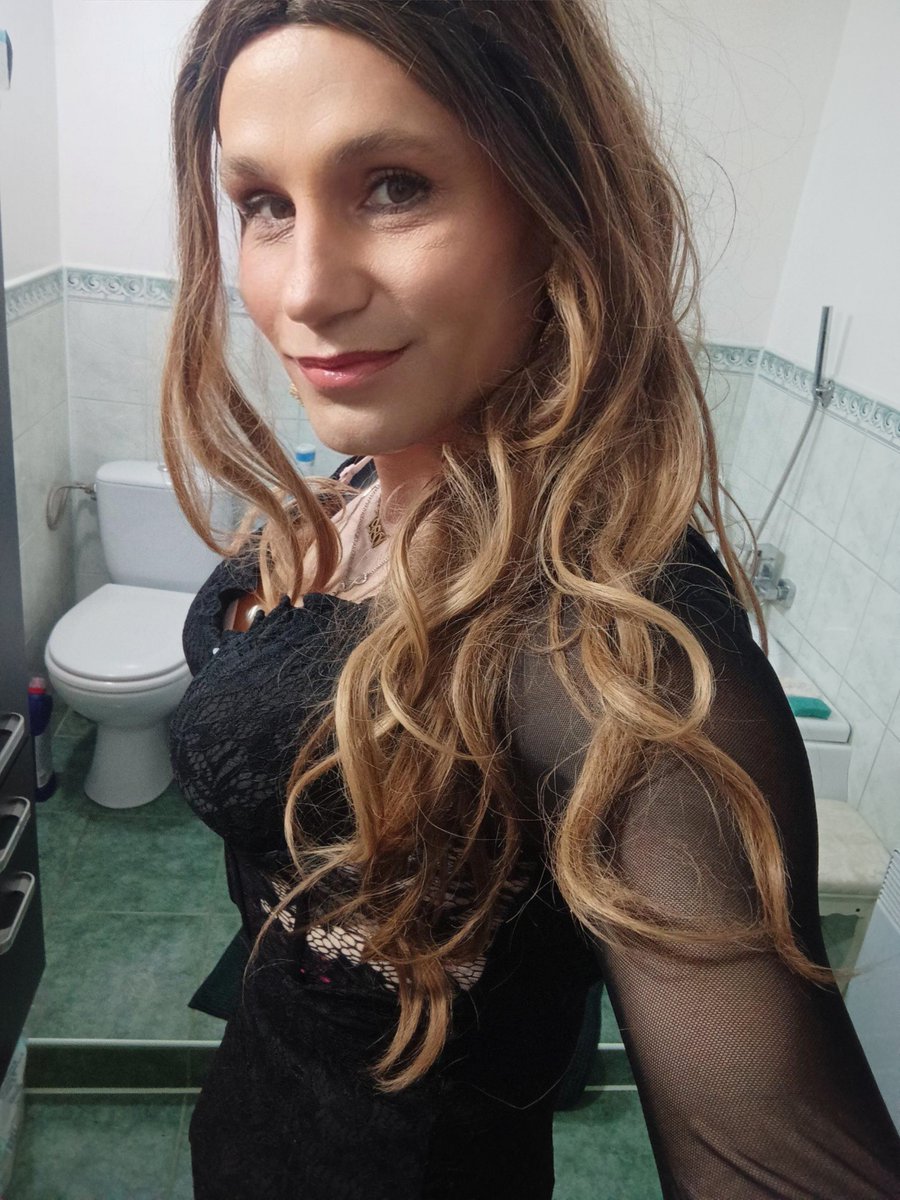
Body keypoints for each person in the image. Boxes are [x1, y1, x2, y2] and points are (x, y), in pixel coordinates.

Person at [160, 1, 900, 1196]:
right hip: (254, 1125)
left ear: (554, 213)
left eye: (394, 187)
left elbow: (780, 1157)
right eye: (264, 204)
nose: (304, 290)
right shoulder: (373, 478)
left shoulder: (593, 632)